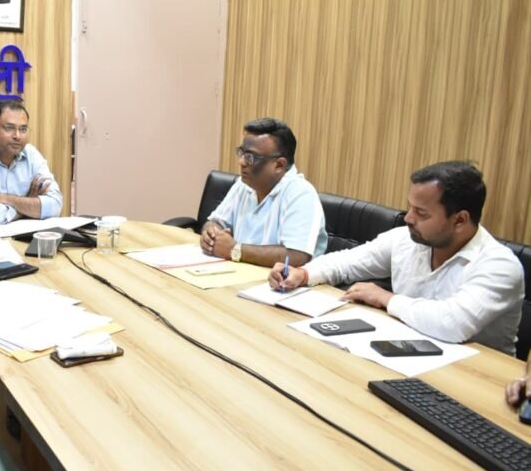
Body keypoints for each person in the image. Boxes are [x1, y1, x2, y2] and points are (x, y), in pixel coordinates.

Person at [269, 161, 524, 355]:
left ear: (459, 220)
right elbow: (346, 262)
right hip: (409, 355)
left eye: (421, 213)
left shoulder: (499, 266)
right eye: (410, 207)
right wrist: (303, 274)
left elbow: (452, 324)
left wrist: (386, 298)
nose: (408, 218)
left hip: (477, 379)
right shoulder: (407, 239)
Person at [200, 117, 327, 267]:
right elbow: (215, 221)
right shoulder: (244, 185)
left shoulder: (301, 194)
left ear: (279, 165)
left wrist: (235, 250)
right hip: (240, 271)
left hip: (278, 280)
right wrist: (211, 235)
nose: (241, 162)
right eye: (242, 153)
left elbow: (296, 256)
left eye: (251, 157)